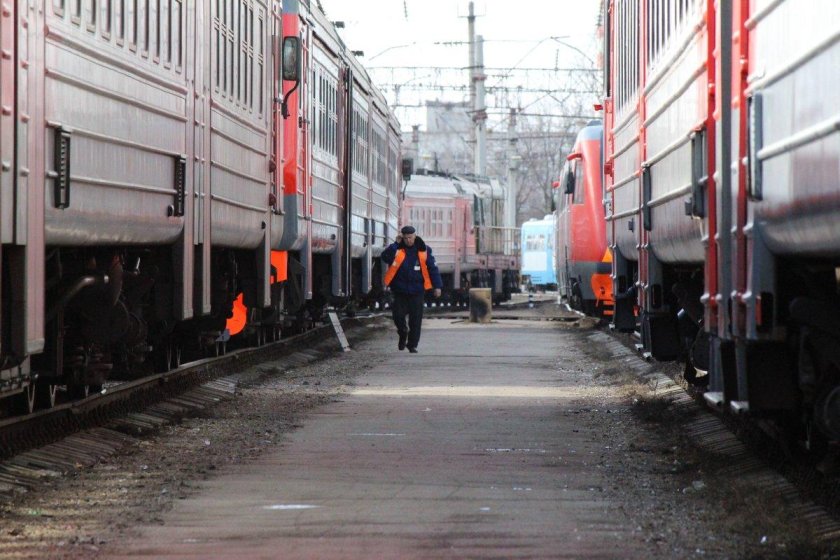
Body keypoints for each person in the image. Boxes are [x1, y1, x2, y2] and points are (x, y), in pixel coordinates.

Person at [381, 225, 443, 353]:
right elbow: (385, 257)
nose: (408, 240)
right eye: (405, 238)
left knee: (416, 319)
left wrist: (437, 286)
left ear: (415, 236)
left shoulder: (424, 250)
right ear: (402, 238)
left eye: (410, 237)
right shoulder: (397, 249)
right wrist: (395, 244)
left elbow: (433, 269)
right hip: (400, 289)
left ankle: (412, 344)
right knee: (398, 316)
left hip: (417, 290)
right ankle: (403, 332)